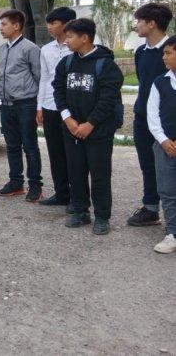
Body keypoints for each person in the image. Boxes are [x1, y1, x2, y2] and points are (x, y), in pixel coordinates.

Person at [52, 18, 124, 235]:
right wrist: (68, 119)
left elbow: (108, 99)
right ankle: (81, 211)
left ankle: (102, 216)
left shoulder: (106, 65)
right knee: (76, 171)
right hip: (72, 130)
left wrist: (90, 124)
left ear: (85, 38)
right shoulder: (66, 63)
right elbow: (58, 91)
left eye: (70, 36)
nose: (66, 41)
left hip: (98, 132)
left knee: (100, 174)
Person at [128, 3, 174, 227]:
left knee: (169, 167)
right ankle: (150, 208)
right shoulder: (140, 52)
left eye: (139, 20)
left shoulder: (172, 50)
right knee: (147, 163)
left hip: (167, 122)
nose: (135, 25)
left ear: (152, 23)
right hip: (142, 117)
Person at [0, 9, 43, 201]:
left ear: (17, 26)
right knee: (11, 145)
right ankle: (16, 182)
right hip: (6, 104)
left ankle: (35, 185)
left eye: (4, 24)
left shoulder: (30, 49)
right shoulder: (1, 49)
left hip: (26, 104)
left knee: (30, 146)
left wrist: (40, 107)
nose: (1, 28)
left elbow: (40, 78)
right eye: (1, 24)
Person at [37, 7, 77, 211]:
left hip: (73, 108)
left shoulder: (80, 46)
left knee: (74, 154)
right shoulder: (46, 49)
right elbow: (44, 78)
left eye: (53, 23)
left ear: (67, 23)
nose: (49, 27)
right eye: (48, 23)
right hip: (51, 106)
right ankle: (62, 193)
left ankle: (77, 196)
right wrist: (40, 106)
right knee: (55, 152)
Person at [146, 36, 176, 253]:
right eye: (164, 53)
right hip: (165, 146)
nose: (164, 57)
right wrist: (164, 140)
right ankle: (172, 233)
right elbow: (152, 115)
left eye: (168, 53)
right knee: (167, 191)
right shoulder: (160, 82)